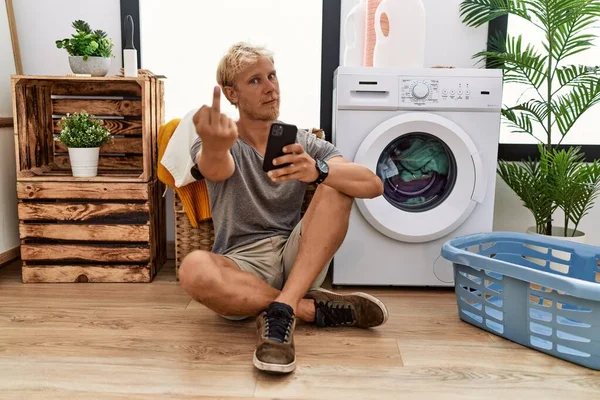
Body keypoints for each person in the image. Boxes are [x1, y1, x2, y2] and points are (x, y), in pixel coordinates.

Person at [178, 42, 388, 374]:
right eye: (255, 81)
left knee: (336, 184)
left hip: (298, 255)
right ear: (232, 95)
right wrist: (216, 146)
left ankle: (282, 308)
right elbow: (217, 168)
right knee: (192, 269)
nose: (270, 87)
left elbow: (373, 185)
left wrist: (319, 171)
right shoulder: (220, 142)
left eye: (272, 76)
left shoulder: (302, 142)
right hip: (242, 266)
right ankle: (303, 308)